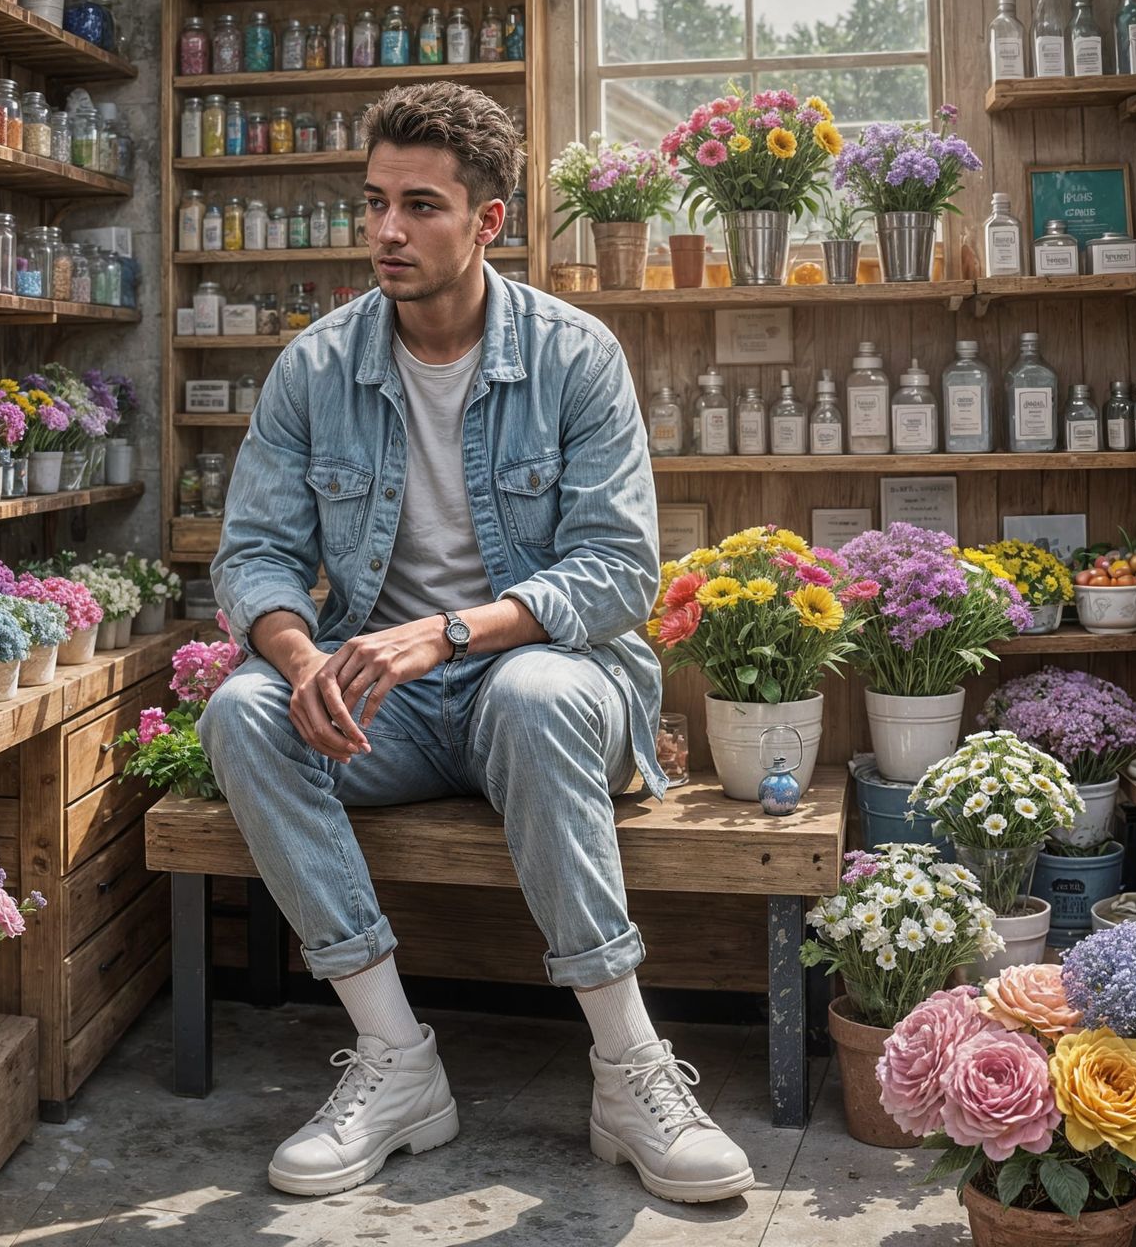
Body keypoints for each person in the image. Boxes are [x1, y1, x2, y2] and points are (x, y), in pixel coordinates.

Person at [202, 81, 752, 1205]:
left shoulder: (572, 355)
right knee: (240, 707)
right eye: (372, 204)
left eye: (421, 206)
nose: (388, 232)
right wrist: (302, 658)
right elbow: (252, 552)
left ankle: (627, 1067)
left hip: (549, 695)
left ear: (489, 221)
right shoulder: (316, 365)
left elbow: (615, 572)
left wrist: (446, 634)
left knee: (535, 690)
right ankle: (397, 1061)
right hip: (387, 714)